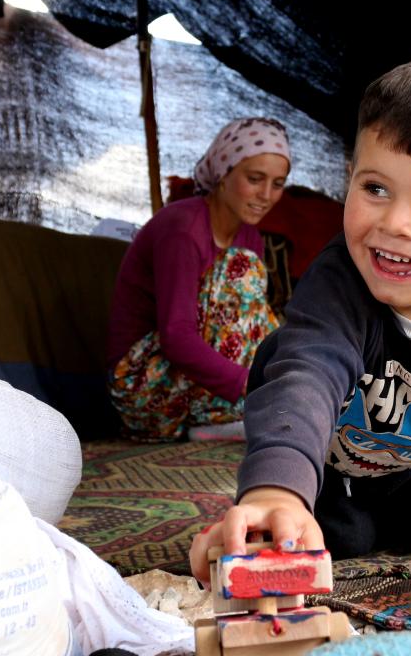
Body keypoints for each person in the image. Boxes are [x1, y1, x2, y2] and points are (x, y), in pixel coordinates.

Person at [189, 51, 411, 623]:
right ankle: (256, 523)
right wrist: (275, 496)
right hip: (328, 470)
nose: (395, 224)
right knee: (321, 544)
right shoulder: (338, 283)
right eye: (376, 188)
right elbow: (305, 374)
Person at [106, 117, 291, 441]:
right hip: (142, 387)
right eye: (255, 178)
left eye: (277, 184)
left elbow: (253, 326)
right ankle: (243, 408)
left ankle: (212, 428)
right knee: (241, 269)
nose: (266, 194)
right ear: (223, 173)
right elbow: (176, 337)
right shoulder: (183, 230)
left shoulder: (249, 236)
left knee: (279, 346)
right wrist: (254, 385)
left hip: (196, 391)